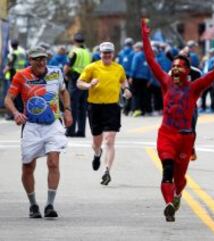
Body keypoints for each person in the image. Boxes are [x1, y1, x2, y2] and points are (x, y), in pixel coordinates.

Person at [141, 19, 214, 221]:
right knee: (167, 170)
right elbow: (151, 59)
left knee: (179, 179)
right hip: (166, 134)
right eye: (174, 66)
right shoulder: (165, 81)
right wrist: (145, 35)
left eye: (180, 66)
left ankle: (178, 194)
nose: (176, 69)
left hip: (185, 138)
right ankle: (169, 204)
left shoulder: (195, 87)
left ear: (188, 71)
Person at [4, 46, 73, 218]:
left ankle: (50, 205)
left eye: (44, 58)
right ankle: (33, 205)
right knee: (28, 166)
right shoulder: (21, 76)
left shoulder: (55, 73)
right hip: (32, 126)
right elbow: (8, 99)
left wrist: (68, 110)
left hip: (53, 124)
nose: (42, 62)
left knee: (53, 162)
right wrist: (16, 113)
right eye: (37, 59)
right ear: (30, 61)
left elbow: (64, 92)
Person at [76, 42, 132, 185]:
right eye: (104, 53)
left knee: (110, 140)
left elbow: (123, 80)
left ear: (113, 54)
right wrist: (89, 85)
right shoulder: (92, 67)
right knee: (97, 142)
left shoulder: (118, 68)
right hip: (95, 108)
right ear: (100, 53)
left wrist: (126, 89)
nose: (106, 55)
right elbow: (79, 82)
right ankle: (97, 154)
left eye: (109, 53)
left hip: (112, 107)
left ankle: (107, 171)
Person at [64, 32, 91, 137]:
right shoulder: (88, 52)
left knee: (72, 106)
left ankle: (70, 131)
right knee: (82, 107)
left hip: (75, 80)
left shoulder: (74, 51)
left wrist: (64, 75)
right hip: (85, 80)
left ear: (74, 41)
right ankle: (81, 131)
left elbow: (67, 66)